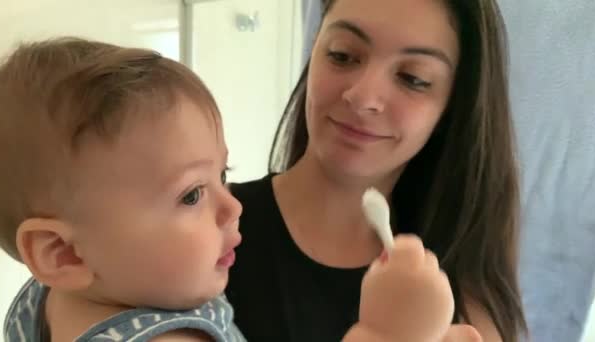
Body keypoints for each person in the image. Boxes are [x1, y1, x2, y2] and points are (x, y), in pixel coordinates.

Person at [0, 37, 477, 342]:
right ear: (62, 254)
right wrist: (388, 331)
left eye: (221, 177)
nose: (231, 206)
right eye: (190, 195)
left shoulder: (52, 300)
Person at [226, 0, 528, 341]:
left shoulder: (461, 294)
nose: (364, 96)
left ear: (451, 108)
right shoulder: (205, 227)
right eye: (342, 55)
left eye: (413, 78)